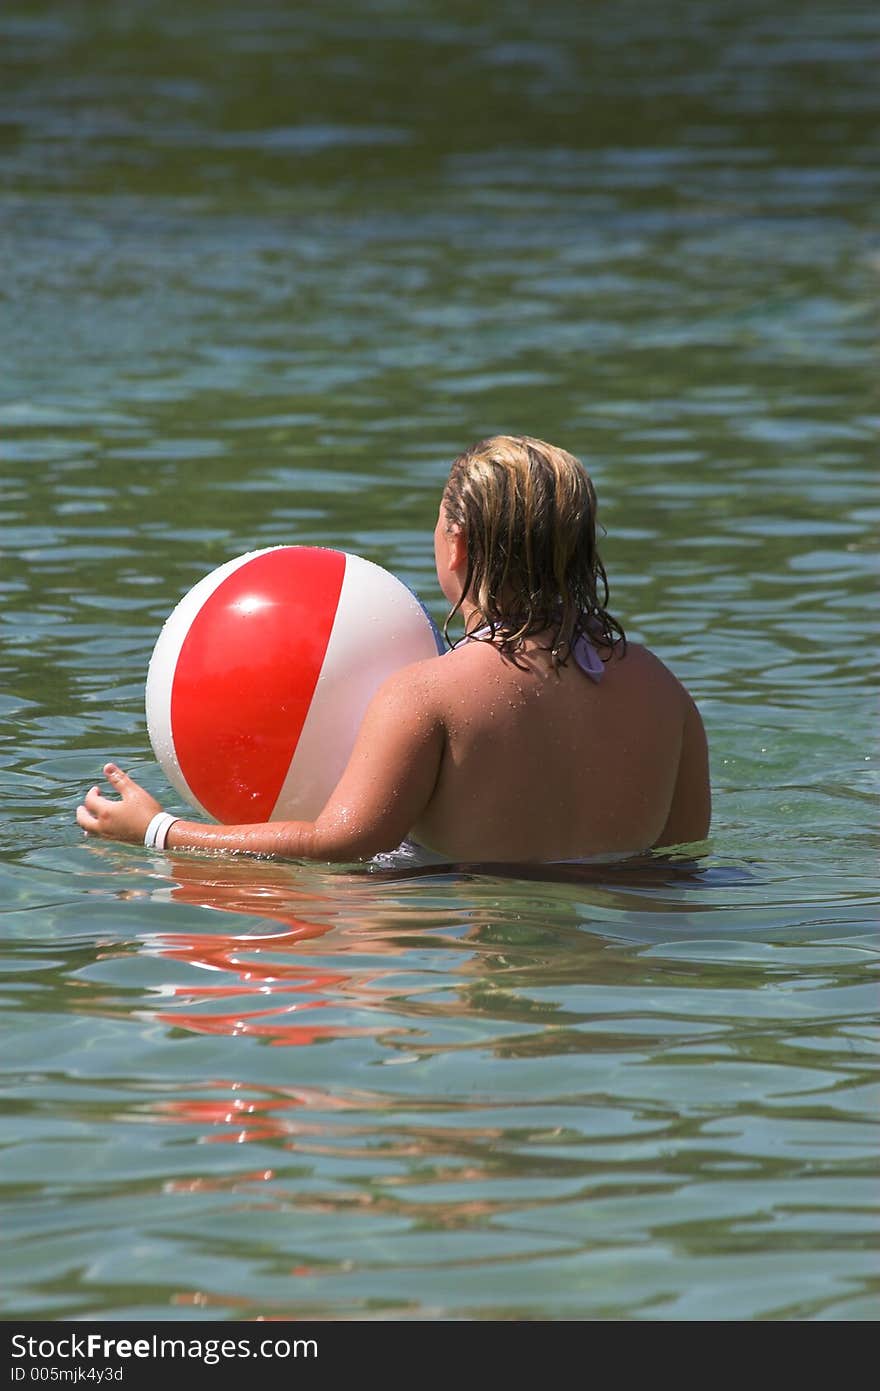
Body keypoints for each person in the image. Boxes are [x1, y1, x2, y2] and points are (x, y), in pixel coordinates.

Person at [76, 435, 710, 864]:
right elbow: (682, 858)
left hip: (467, 952)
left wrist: (158, 832)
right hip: (622, 976)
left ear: (455, 545)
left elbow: (337, 844)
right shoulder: (665, 692)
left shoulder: (428, 693)